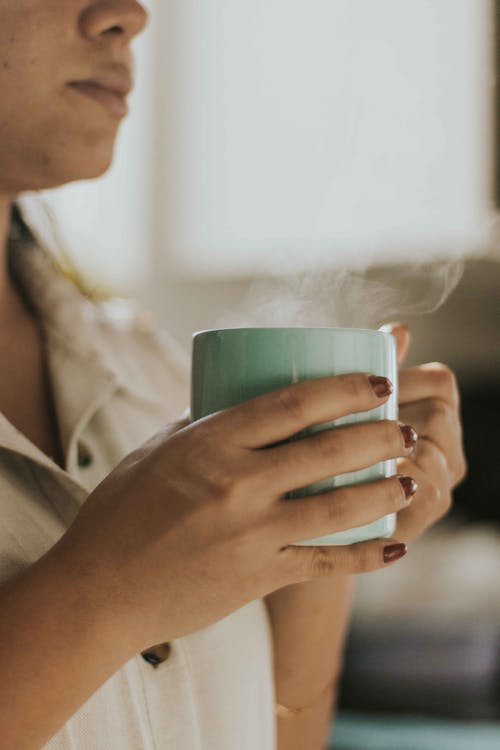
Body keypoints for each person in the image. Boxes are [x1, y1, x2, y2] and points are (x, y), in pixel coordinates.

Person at [0, 2, 466, 749]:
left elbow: (281, 731)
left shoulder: (153, 374)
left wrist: (324, 527)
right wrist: (102, 594)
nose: (128, 15)